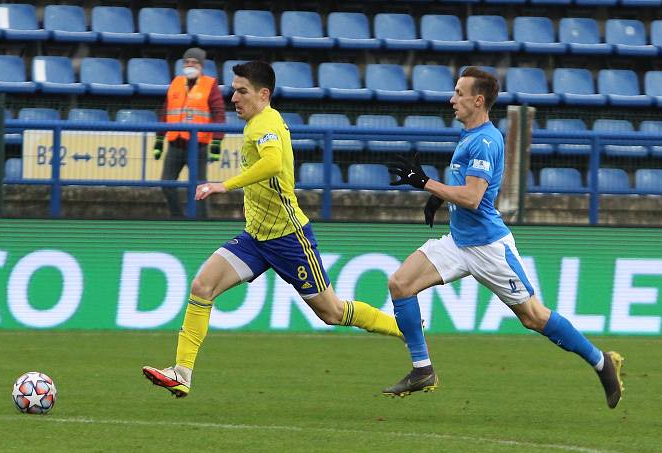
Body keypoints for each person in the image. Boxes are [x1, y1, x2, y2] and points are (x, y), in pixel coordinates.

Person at [142, 61, 403, 398]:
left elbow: (272, 163)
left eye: (242, 90)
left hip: (288, 238)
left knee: (332, 312)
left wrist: (225, 185)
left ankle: (404, 327)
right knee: (202, 285)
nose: (233, 97)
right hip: (256, 237)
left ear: (263, 94)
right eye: (233, 89)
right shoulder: (258, 122)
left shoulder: (264, 123)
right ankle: (181, 373)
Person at [383, 67, 625, 409]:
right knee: (400, 284)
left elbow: (473, 198)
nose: (452, 100)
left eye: (459, 93)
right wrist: (438, 196)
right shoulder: (470, 135)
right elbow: (466, 187)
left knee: (534, 317)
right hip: (458, 242)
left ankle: (602, 362)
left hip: (487, 247)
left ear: (478, 100)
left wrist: (424, 183)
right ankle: (422, 370)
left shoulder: (484, 140)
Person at [154, 47, 226, 218]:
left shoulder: (210, 84)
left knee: (199, 187)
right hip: (175, 143)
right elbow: (165, 111)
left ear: (201, 65)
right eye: (187, 62)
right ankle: (178, 218)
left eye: (194, 62)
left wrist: (216, 141)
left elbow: (218, 113)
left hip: (198, 145)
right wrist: (159, 139)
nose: (190, 65)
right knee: (166, 183)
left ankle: (201, 221)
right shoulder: (176, 83)